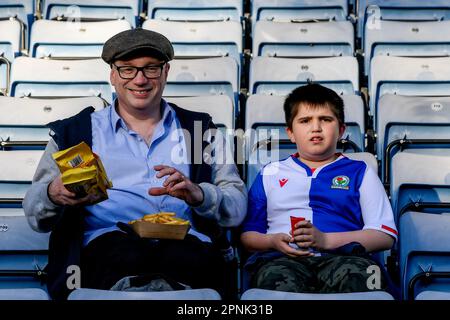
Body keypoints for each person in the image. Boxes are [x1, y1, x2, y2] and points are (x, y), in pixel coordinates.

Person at [23, 28, 247, 300]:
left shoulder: (202, 132)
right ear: (113, 75)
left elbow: (236, 208)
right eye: (128, 69)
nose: (140, 79)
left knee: (190, 265)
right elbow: (35, 214)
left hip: (187, 248)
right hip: (107, 249)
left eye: (150, 69)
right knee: (120, 259)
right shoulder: (74, 133)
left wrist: (200, 194)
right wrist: (53, 194)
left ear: (165, 73)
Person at [240, 83, 397, 294]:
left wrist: (325, 240)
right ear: (291, 132)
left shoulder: (360, 172)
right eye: (305, 121)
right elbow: (248, 236)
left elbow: (384, 235)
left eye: (326, 119)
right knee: (273, 281)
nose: (316, 127)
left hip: (346, 258)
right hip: (281, 260)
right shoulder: (270, 173)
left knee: (368, 276)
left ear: (341, 130)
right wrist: (272, 241)